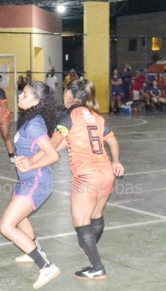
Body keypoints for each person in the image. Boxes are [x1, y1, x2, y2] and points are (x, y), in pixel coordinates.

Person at [51, 79, 124, 280]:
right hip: (106, 171)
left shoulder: (69, 115)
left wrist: (33, 159)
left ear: (69, 94)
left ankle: (97, 266)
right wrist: (116, 161)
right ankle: (89, 246)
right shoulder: (95, 117)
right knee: (96, 215)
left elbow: (54, 143)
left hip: (86, 175)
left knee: (81, 222)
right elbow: (113, 142)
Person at [3, 81, 61, 289]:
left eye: (25, 95)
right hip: (28, 178)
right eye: (21, 93)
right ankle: (32, 250)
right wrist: (27, 162)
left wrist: (30, 165)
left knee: (7, 226)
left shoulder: (35, 123)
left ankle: (46, 266)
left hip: (36, 180)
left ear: (37, 101)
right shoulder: (30, 119)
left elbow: (53, 155)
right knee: (20, 219)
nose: (20, 97)